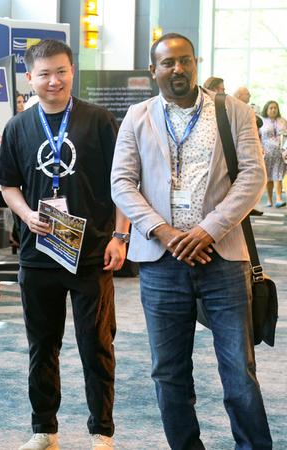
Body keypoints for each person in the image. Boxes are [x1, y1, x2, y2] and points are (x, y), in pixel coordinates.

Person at [111, 33, 272, 449]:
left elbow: (253, 177)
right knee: (168, 371)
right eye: (168, 63)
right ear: (154, 70)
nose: (177, 69)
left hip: (222, 259)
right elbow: (122, 183)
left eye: (185, 61)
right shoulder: (137, 116)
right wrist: (163, 232)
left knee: (239, 368)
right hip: (162, 264)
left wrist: (207, 230)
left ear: (196, 62)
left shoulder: (233, 112)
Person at [0, 39, 129, 450]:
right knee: (42, 347)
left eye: (61, 71)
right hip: (38, 254)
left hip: (91, 254)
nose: (53, 81)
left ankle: (101, 431)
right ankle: (44, 429)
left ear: (73, 72)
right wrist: (26, 214)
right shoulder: (18, 126)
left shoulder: (100, 120)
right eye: (44, 73)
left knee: (96, 346)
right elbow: (8, 185)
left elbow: (123, 183)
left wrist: (121, 236)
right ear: (30, 78)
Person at [259, 100, 287, 208]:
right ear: (266, 109)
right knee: (268, 177)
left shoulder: (283, 121)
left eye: (275, 108)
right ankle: (269, 200)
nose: (273, 110)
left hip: (280, 153)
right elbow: (257, 136)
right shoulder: (261, 121)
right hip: (266, 153)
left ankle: (279, 199)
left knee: (278, 175)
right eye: (271, 108)